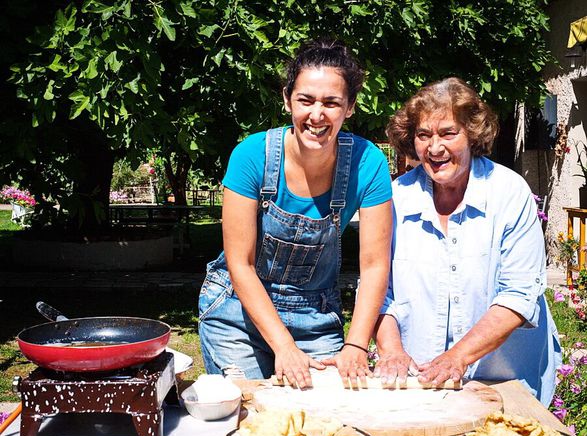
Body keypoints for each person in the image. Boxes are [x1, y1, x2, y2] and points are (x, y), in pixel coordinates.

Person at [198, 39, 392, 388]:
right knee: (254, 415)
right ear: (288, 98)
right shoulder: (252, 155)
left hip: (314, 317)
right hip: (237, 314)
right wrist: (284, 347)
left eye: (331, 103)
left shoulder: (369, 164)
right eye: (306, 100)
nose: (317, 115)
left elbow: (375, 265)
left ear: (349, 108)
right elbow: (239, 263)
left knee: (328, 417)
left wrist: (356, 344)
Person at [374, 77, 561, 406]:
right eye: (423, 135)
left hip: (503, 381)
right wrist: (391, 351)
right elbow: (379, 291)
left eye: (448, 133)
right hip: (419, 383)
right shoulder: (395, 198)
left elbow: (518, 295)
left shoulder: (508, 192)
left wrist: (457, 357)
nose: (435, 148)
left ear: (472, 135)